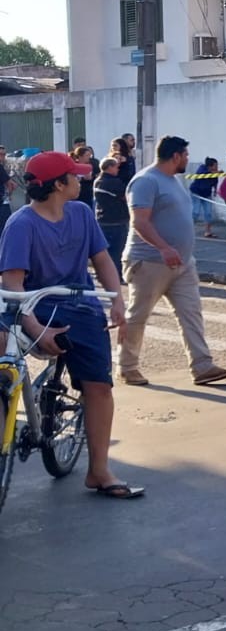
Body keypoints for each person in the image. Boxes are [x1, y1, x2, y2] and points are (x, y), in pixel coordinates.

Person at [0, 150, 137, 497]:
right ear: (59, 184)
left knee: (98, 386)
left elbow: (102, 258)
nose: (81, 180)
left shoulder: (80, 213)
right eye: (74, 176)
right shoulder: (21, 225)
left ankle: (99, 470)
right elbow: (13, 287)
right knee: (3, 355)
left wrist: (117, 298)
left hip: (78, 306)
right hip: (31, 306)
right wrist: (36, 331)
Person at [118, 136, 226, 387]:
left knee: (191, 313)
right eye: (185, 155)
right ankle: (128, 367)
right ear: (175, 156)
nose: (187, 159)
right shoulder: (145, 181)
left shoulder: (173, 180)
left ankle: (202, 366)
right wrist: (162, 247)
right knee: (137, 316)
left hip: (182, 264)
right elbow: (139, 221)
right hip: (148, 262)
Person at [93, 155, 130, 281]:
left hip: (102, 219)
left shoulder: (98, 180)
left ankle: (102, 275)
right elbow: (126, 197)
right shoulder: (113, 182)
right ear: (109, 167)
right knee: (117, 251)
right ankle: (116, 276)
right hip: (116, 221)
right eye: (116, 167)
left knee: (104, 251)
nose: (118, 170)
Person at [190, 157, 220, 239]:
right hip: (196, 192)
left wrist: (215, 190)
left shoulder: (215, 173)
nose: (217, 167)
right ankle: (188, 230)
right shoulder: (202, 168)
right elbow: (202, 174)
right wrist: (214, 172)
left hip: (207, 194)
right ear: (210, 166)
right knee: (195, 212)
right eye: (215, 165)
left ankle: (208, 231)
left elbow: (215, 181)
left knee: (208, 213)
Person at [0, 144, 15, 235]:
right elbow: (11, 185)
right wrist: (9, 195)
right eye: (0, 154)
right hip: (2, 203)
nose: (3, 157)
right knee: (6, 228)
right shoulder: (0, 167)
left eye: (4, 154)